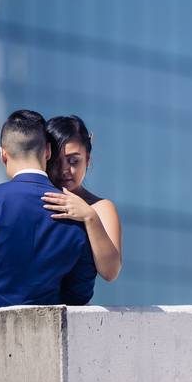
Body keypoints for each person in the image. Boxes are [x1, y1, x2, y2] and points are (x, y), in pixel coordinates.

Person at [0, 110, 96, 312]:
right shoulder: (76, 212)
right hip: (47, 334)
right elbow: (81, 291)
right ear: (48, 151)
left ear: (3, 154)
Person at [41, 115, 123, 282]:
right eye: (55, 161)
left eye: (73, 161)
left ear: (87, 160)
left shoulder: (101, 208)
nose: (64, 169)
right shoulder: (33, 198)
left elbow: (111, 272)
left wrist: (89, 216)